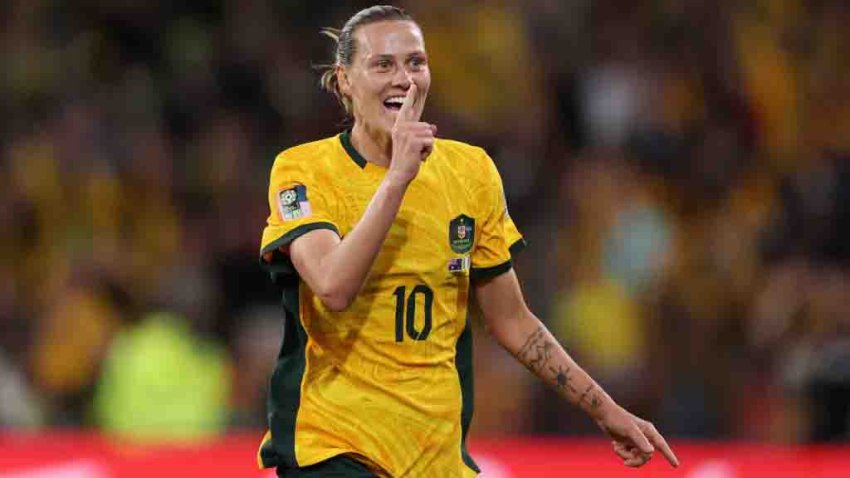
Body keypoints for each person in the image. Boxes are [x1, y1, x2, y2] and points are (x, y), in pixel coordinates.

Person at [256, 5, 678, 477]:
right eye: (383, 65)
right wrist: (397, 179)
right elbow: (332, 287)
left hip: (434, 456)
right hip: (335, 448)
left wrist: (605, 410)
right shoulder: (303, 170)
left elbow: (513, 321)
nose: (403, 77)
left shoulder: (469, 173)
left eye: (415, 62)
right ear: (345, 80)